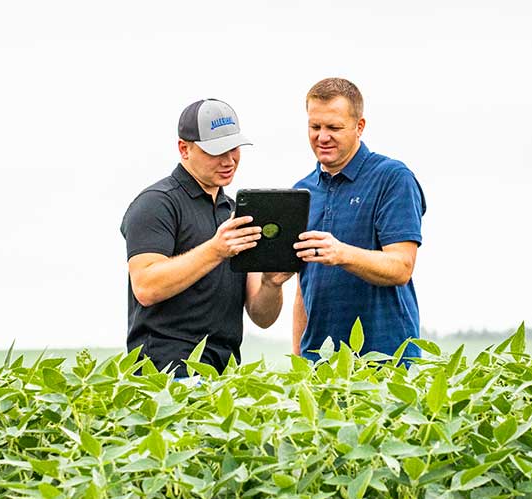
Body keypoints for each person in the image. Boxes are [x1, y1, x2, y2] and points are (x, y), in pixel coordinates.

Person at [121, 98, 292, 377]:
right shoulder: (156, 203)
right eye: (216, 151)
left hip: (223, 372)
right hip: (164, 372)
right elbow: (146, 287)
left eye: (234, 148)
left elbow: (262, 317)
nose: (229, 160)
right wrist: (215, 249)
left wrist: (271, 283)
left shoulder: (235, 212)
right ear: (184, 149)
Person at [291, 78, 426, 362]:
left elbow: (401, 267)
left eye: (334, 128)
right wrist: (299, 362)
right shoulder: (302, 192)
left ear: (359, 127)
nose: (322, 137)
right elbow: (304, 291)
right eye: (315, 127)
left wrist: (341, 253)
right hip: (321, 368)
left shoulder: (392, 178)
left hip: (387, 363)